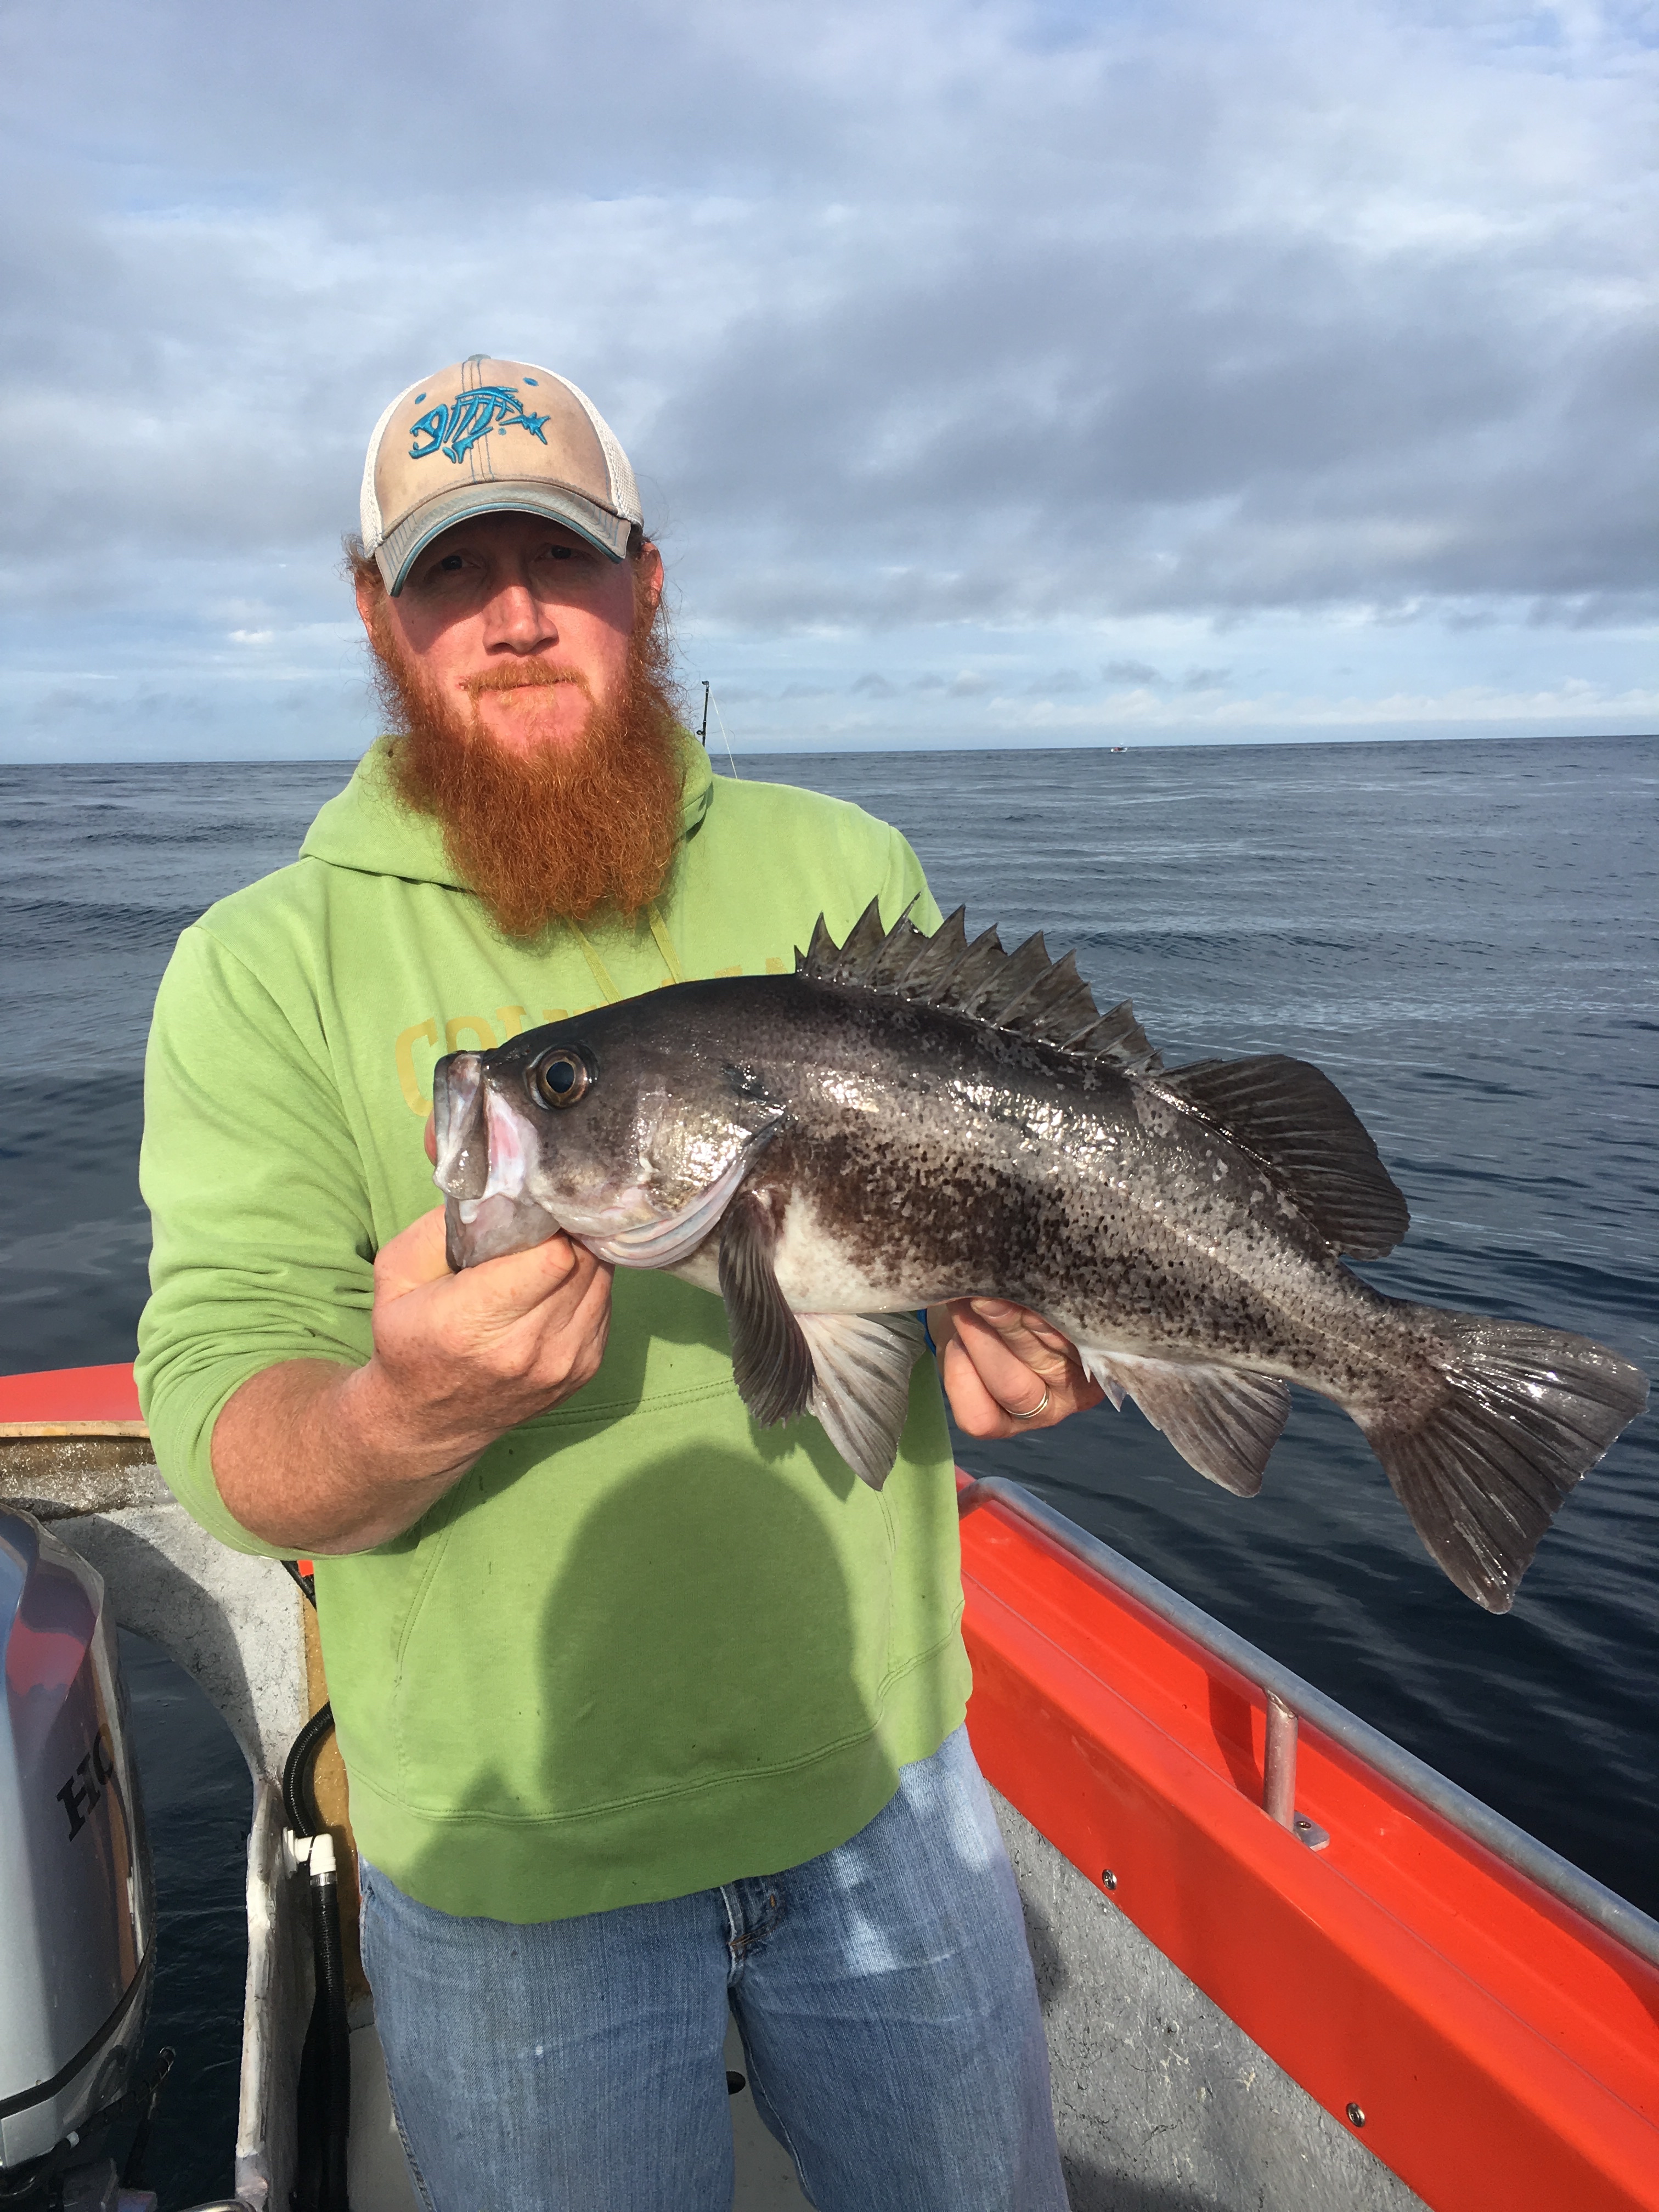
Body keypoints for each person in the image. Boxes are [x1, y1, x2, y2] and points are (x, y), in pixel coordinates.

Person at [137, 354, 1101, 2210]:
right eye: (447, 573)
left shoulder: (848, 867)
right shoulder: (255, 968)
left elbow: (953, 1273)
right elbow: (219, 1418)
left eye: (557, 559)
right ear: (376, 613)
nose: (510, 618)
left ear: (646, 582)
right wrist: (391, 1411)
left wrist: (1041, 1351)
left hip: (887, 1788)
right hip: (512, 1875)